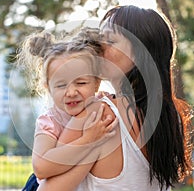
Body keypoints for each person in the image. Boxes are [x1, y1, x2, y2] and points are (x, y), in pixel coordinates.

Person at [36, 5, 194, 191]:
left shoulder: (98, 114)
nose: (98, 47)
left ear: (139, 54)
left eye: (109, 41)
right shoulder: (170, 118)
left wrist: (89, 143)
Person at [15, 29, 119, 182]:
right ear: (48, 88)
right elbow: (41, 167)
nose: (71, 92)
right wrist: (88, 139)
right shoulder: (50, 121)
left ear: (97, 83)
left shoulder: (104, 105)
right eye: (61, 85)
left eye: (81, 83)